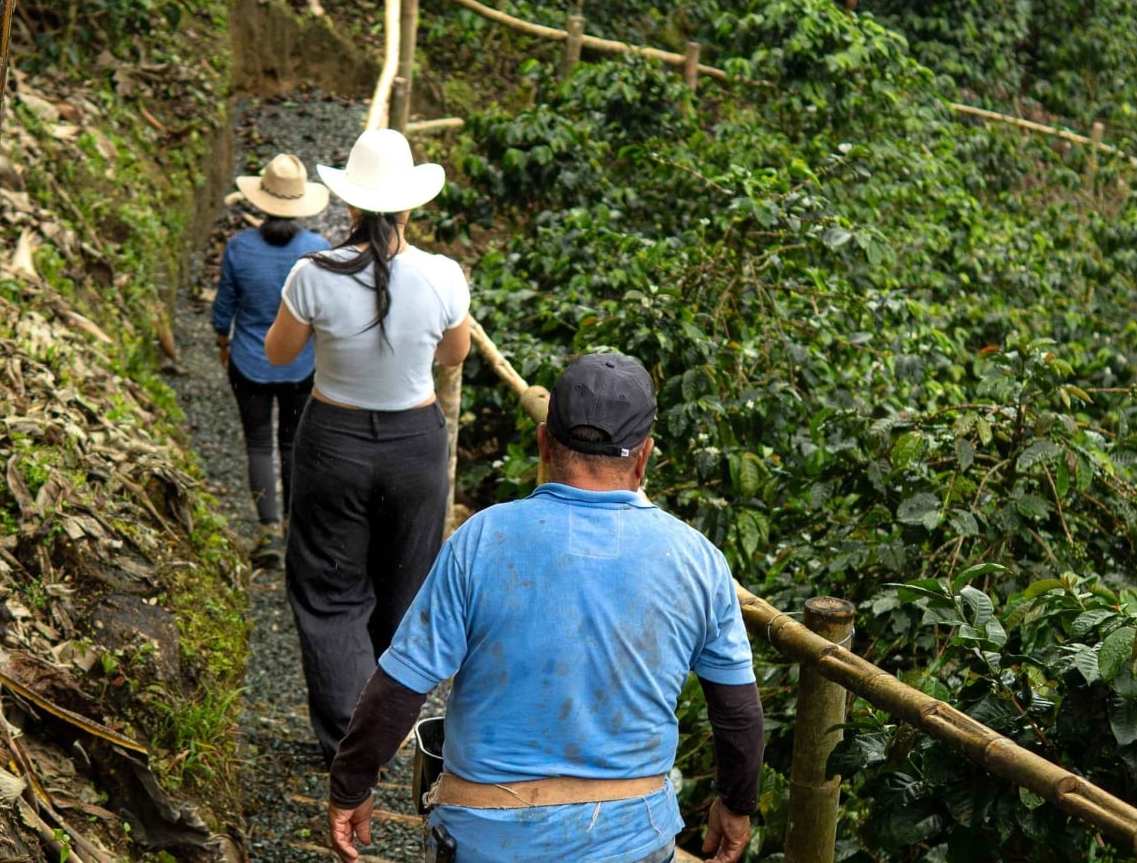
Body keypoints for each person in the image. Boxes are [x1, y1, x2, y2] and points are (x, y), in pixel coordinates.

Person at [325, 353, 764, 863]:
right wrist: (736, 805)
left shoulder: (481, 539)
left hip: (486, 841)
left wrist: (350, 786)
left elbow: (401, 685)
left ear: (543, 443)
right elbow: (737, 710)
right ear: (644, 457)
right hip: (632, 839)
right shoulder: (698, 560)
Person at [264, 128, 472, 766]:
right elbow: (454, 355)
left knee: (329, 593)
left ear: (349, 204)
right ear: (409, 206)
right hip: (415, 446)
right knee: (404, 589)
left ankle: (347, 743)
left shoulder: (313, 274)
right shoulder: (442, 275)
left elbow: (279, 353)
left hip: (334, 442)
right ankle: (385, 726)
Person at [211, 153, 331, 568]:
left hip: (249, 361)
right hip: (301, 365)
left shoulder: (239, 247)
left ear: (260, 199)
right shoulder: (318, 251)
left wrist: (223, 344)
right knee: (293, 443)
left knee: (259, 444)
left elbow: (223, 310)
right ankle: (296, 531)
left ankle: (268, 533)